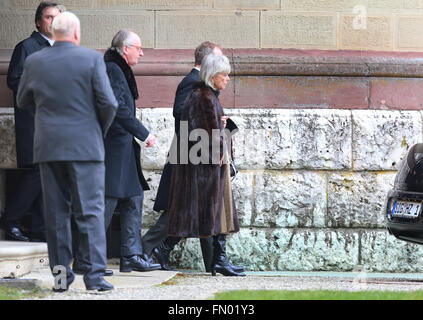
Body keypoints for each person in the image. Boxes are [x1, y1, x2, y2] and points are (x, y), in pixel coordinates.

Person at [16, 12, 118, 292]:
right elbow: (109, 103)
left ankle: (61, 279)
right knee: (91, 212)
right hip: (86, 147)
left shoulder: (34, 60)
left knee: (56, 215)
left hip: (49, 147)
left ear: (53, 32)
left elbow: (23, 99)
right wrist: (98, 130)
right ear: (76, 34)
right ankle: (95, 278)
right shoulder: (91, 59)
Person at [142, 42, 244, 274]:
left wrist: (221, 124)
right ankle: (157, 251)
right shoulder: (199, 92)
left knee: (203, 213)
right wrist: (216, 148)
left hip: (202, 163)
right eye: (225, 74)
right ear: (213, 72)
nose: (228, 79)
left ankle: (215, 260)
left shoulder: (208, 95)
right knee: (191, 213)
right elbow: (192, 125)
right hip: (199, 164)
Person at [1, 2, 63, 242]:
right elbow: (14, 80)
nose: (53, 22)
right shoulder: (26, 47)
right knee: (38, 172)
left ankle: (38, 228)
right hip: (34, 122)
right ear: (38, 22)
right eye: (49, 17)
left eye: (57, 18)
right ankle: (11, 218)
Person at [101, 29, 161, 273]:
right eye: (138, 47)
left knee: (133, 198)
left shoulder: (117, 68)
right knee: (106, 202)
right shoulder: (113, 69)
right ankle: (89, 257)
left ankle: (131, 255)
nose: (142, 52)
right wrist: (144, 133)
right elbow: (118, 108)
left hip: (123, 146)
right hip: (113, 146)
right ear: (125, 49)